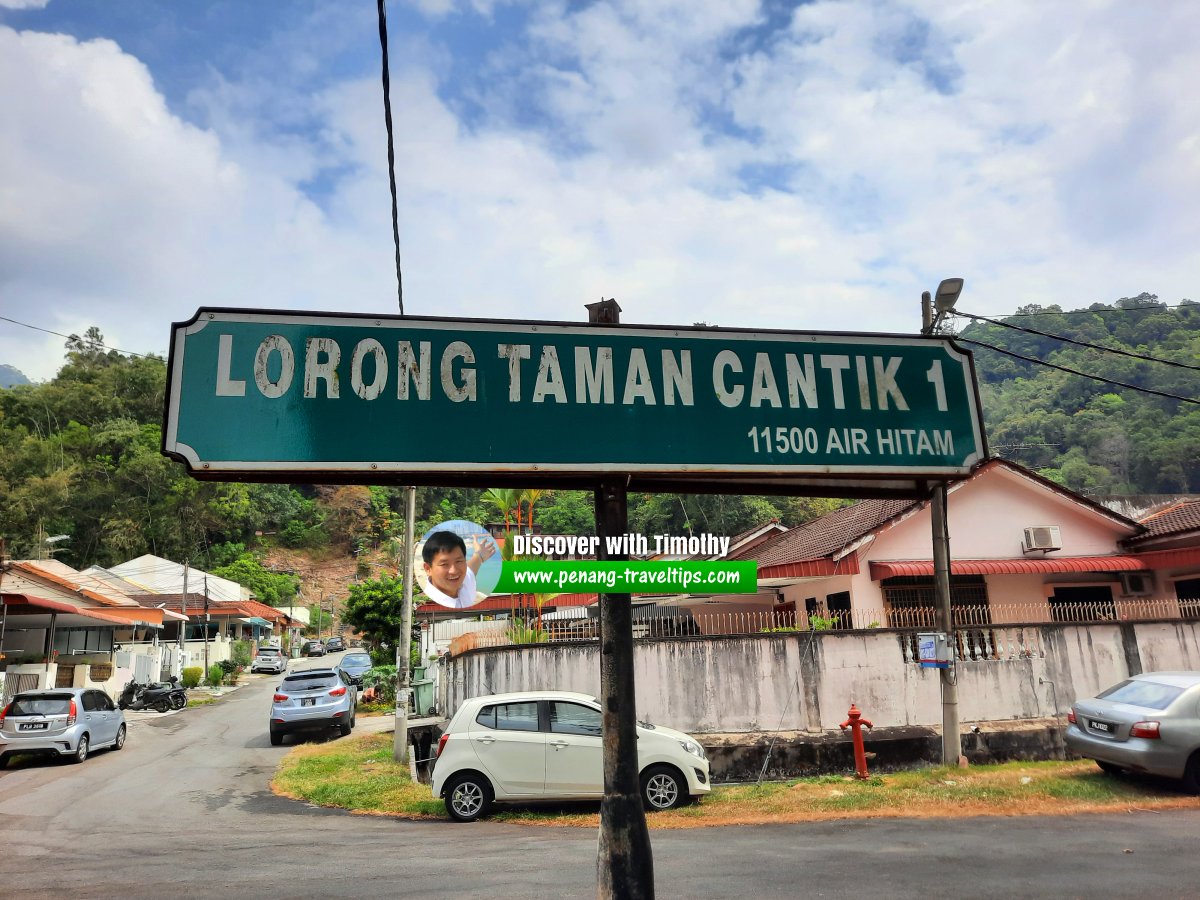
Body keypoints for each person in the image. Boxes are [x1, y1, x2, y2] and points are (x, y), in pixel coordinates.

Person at [421, 529, 496, 609]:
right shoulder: (426, 603)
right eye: (444, 564)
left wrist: (479, 555)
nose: (454, 571)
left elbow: (471, 568)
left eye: (459, 561)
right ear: (428, 569)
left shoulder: (464, 582)